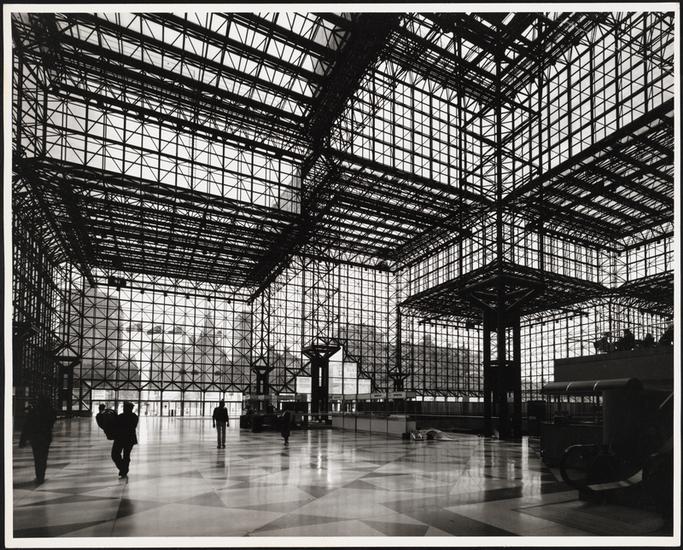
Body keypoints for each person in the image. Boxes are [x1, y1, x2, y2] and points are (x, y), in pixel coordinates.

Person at [19, 395, 57, 483]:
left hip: (35, 437)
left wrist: (23, 440)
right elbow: (52, 420)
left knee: (37, 457)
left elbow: (27, 426)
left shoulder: (34, 411)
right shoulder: (51, 411)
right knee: (44, 457)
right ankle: (41, 475)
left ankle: (39, 476)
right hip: (46, 437)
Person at [111, 402, 138, 478]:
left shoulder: (120, 417)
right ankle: (124, 469)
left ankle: (123, 468)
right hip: (130, 439)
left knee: (115, 454)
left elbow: (115, 425)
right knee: (126, 455)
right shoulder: (134, 417)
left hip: (120, 438)